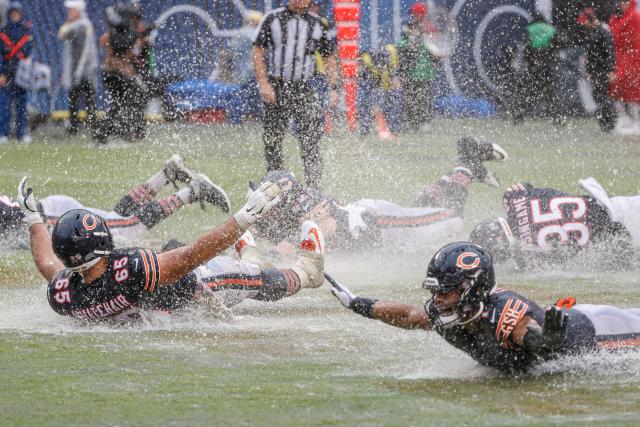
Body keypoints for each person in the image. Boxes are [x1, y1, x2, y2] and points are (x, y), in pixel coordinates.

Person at [18, 170, 327, 322]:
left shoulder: (66, 292)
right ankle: (305, 273)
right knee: (252, 279)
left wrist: (34, 218)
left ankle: (250, 255)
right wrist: (242, 219)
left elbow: (47, 262)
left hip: (166, 308)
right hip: (192, 292)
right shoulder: (129, 269)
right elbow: (192, 257)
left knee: (178, 248)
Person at [331, 241, 640, 374]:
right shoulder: (454, 312)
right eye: (437, 291)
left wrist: (545, 342)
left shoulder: (504, 312)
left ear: (473, 288)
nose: (438, 300)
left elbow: (528, 335)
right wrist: (360, 304)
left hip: (597, 331)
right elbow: (410, 315)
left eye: (447, 292)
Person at [251, 137, 507, 254]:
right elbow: (250, 236)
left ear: (287, 198)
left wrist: (277, 252)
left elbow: (322, 229)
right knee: (418, 212)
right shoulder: (280, 212)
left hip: (381, 224)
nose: (265, 204)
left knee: (453, 220)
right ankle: (445, 181)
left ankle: (466, 160)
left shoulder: (309, 205)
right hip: (377, 223)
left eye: (270, 198)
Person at [0, 155, 230, 249]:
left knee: (128, 229)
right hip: (56, 214)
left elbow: (14, 215)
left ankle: (193, 191)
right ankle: (166, 174)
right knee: (117, 218)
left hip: (55, 219)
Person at [252, 0, 339, 188]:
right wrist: (264, 83)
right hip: (277, 86)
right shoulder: (273, 19)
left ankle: (314, 188)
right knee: (273, 139)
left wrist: (333, 88)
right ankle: (274, 185)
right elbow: (258, 50)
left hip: (303, 88)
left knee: (311, 138)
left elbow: (329, 56)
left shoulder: (316, 24)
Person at [469, 178, 639, 268]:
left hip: (622, 240)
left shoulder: (528, 259)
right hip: (615, 206)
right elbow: (526, 185)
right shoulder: (511, 197)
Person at [94, 2, 146, 143]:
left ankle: (113, 131)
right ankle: (110, 131)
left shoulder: (124, 34)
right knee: (126, 101)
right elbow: (120, 55)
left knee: (122, 103)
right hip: (114, 73)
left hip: (114, 73)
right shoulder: (117, 35)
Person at [397, 2, 440, 132]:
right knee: (409, 97)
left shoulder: (430, 29)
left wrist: (436, 61)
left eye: (416, 14)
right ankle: (409, 121)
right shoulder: (408, 27)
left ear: (422, 15)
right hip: (410, 69)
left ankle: (424, 122)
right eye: (413, 14)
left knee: (424, 97)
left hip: (425, 70)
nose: (413, 16)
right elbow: (401, 43)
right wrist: (408, 44)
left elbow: (436, 48)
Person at [58, 0, 98, 136]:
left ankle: (92, 128)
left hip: (84, 71)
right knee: (75, 100)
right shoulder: (79, 24)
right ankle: (74, 128)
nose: (69, 12)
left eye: (72, 10)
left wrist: (79, 71)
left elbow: (62, 34)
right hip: (77, 70)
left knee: (88, 100)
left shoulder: (82, 25)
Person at [577, 7, 617, 133]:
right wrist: (588, 70)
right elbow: (591, 54)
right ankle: (606, 125)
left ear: (591, 19)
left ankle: (610, 123)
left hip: (603, 69)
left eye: (585, 22)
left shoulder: (604, 30)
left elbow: (610, 52)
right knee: (598, 96)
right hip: (596, 70)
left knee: (601, 97)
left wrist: (610, 71)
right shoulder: (592, 31)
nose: (584, 25)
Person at [0, 2, 32, 144]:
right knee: (4, 106)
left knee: (21, 107)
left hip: (22, 74)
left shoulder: (26, 32)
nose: (15, 16)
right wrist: (1, 73)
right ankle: (3, 134)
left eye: (17, 13)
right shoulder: (3, 32)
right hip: (6, 73)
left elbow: (30, 53)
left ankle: (21, 133)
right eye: (13, 13)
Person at [357, 44, 402, 138]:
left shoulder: (390, 63)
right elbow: (366, 81)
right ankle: (365, 129)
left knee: (391, 105)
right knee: (366, 105)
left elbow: (395, 81)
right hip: (373, 85)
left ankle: (393, 130)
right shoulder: (368, 63)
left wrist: (393, 82)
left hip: (382, 86)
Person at [609, 0, 640, 134]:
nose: (622, 4)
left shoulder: (635, 16)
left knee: (633, 90)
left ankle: (636, 120)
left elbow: (634, 39)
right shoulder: (616, 17)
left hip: (633, 57)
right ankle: (623, 117)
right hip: (619, 57)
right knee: (615, 87)